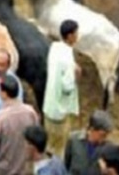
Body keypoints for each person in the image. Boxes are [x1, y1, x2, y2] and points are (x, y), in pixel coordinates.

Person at [0, 76, 39, 175]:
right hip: (24, 169)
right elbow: (36, 139)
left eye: (0, 90)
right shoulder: (31, 112)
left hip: (2, 170)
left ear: (4, 94)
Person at [43, 19, 81, 157]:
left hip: (48, 106)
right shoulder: (67, 59)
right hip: (59, 111)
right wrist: (76, 76)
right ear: (70, 36)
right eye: (76, 33)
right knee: (59, 149)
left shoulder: (55, 48)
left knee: (49, 143)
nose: (78, 36)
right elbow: (67, 87)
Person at [64, 110, 114, 175]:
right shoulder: (74, 140)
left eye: (106, 135)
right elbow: (66, 165)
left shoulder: (108, 150)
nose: (105, 139)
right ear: (92, 130)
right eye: (102, 135)